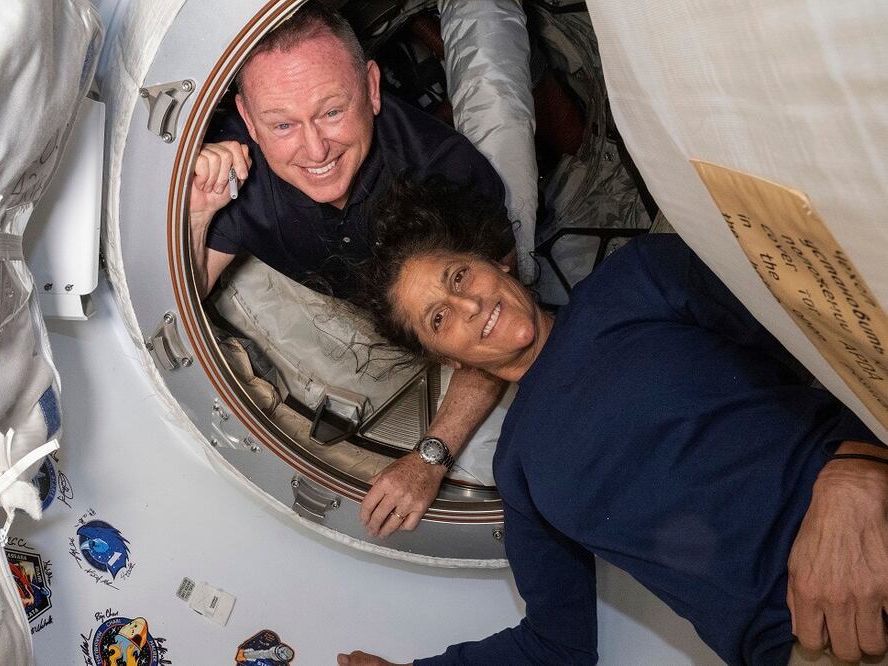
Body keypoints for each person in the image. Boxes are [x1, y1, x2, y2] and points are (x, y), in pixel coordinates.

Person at [337, 177, 888, 665]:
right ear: (448, 360)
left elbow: (835, 328)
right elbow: (558, 647)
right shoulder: (519, 470)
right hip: (810, 646)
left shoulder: (636, 278)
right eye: (439, 318)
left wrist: (858, 467)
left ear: (494, 260)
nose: (468, 307)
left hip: (869, 517)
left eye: (458, 278)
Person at [188, 2, 516, 536]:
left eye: (332, 111)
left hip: (443, 302)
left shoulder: (446, 172)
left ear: (371, 86)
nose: (314, 148)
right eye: (282, 124)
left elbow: (501, 325)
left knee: (500, 108)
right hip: (355, 305)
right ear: (248, 119)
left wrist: (430, 458)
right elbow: (184, 294)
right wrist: (199, 213)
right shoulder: (235, 168)